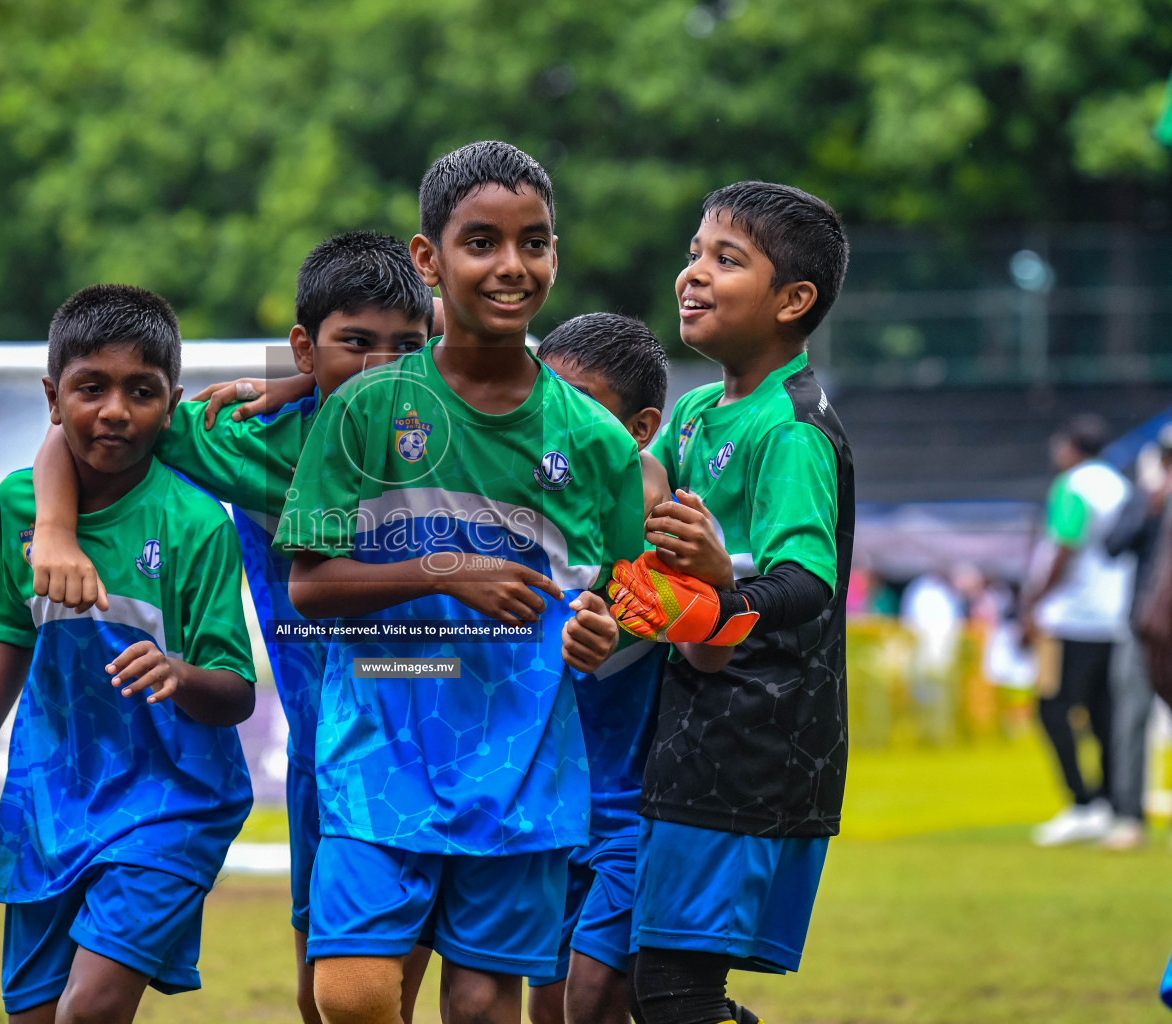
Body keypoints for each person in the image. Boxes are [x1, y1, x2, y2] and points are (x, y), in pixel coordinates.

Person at [25, 231, 437, 1024]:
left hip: (448, 741)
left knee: (465, 990)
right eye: (355, 343)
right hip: (332, 757)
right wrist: (54, 529)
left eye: (406, 347)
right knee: (329, 998)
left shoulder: (457, 436)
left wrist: (311, 376)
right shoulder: (246, 441)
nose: (383, 367)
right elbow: (87, 423)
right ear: (306, 346)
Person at [274, 140, 644, 1024]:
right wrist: (446, 568)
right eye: (482, 242)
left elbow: (627, 599)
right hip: (377, 743)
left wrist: (607, 631)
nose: (512, 265)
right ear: (428, 258)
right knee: (354, 995)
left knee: (482, 1009)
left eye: (535, 242)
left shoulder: (595, 442)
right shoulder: (364, 409)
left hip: (522, 768)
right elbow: (310, 587)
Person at [0, 285, 258, 1022]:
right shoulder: (16, 509)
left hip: (173, 799)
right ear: (53, 397)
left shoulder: (196, 523)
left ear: (170, 405)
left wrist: (178, 673)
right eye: (91, 388)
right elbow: (12, 637)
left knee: (88, 1012)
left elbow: (237, 691)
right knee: (36, 1015)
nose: (114, 410)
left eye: (141, 391)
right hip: (51, 799)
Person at [613, 181, 853, 1024]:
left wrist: (722, 586)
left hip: (755, 743)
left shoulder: (788, 429)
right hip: (688, 728)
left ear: (794, 301)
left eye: (726, 259)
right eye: (693, 253)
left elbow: (806, 583)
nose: (693, 275)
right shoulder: (692, 418)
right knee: (647, 987)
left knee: (675, 994)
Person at [524, 313, 670, 1024]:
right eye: (546, 397)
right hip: (542, 813)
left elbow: (644, 484)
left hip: (629, 813)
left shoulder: (658, 526)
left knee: (591, 999)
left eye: (579, 402)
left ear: (639, 428)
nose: (558, 420)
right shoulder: (519, 505)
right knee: (547, 1006)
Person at [1020, 414, 1134, 847]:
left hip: (1069, 618)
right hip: (1113, 617)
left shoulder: (1073, 485)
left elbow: (1065, 545)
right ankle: (1108, 800)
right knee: (1103, 711)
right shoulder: (1119, 486)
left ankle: (1082, 803)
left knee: (1052, 706)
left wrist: (1033, 600)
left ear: (1069, 447)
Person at [1097, 425, 1172, 849]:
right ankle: (1129, 815)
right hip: (1142, 625)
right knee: (1131, 718)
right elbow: (1112, 545)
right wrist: (1149, 508)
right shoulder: (1146, 500)